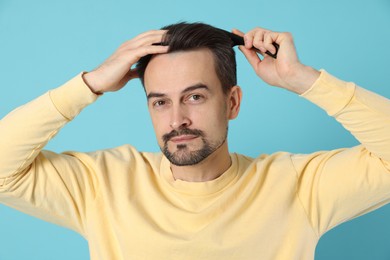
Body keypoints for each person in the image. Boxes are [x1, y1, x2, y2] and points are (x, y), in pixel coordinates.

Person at [0, 21, 389, 260]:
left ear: (232, 102)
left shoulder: (297, 186)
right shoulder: (103, 183)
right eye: (160, 102)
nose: (176, 120)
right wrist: (90, 84)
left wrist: (304, 80)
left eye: (195, 97)